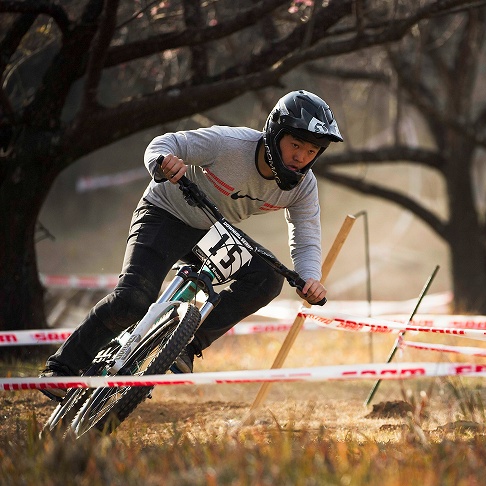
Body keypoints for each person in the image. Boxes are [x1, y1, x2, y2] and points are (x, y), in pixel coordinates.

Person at [39, 90, 343, 401]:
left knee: (268, 278)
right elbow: (163, 145)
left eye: (311, 151)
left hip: (213, 232)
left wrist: (310, 277)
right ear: (275, 132)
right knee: (133, 299)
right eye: (296, 145)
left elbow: (305, 231)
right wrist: (162, 162)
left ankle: (185, 345)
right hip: (164, 214)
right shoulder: (228, 143)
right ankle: (62, 368)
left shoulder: (304, 186)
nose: (301, 157)